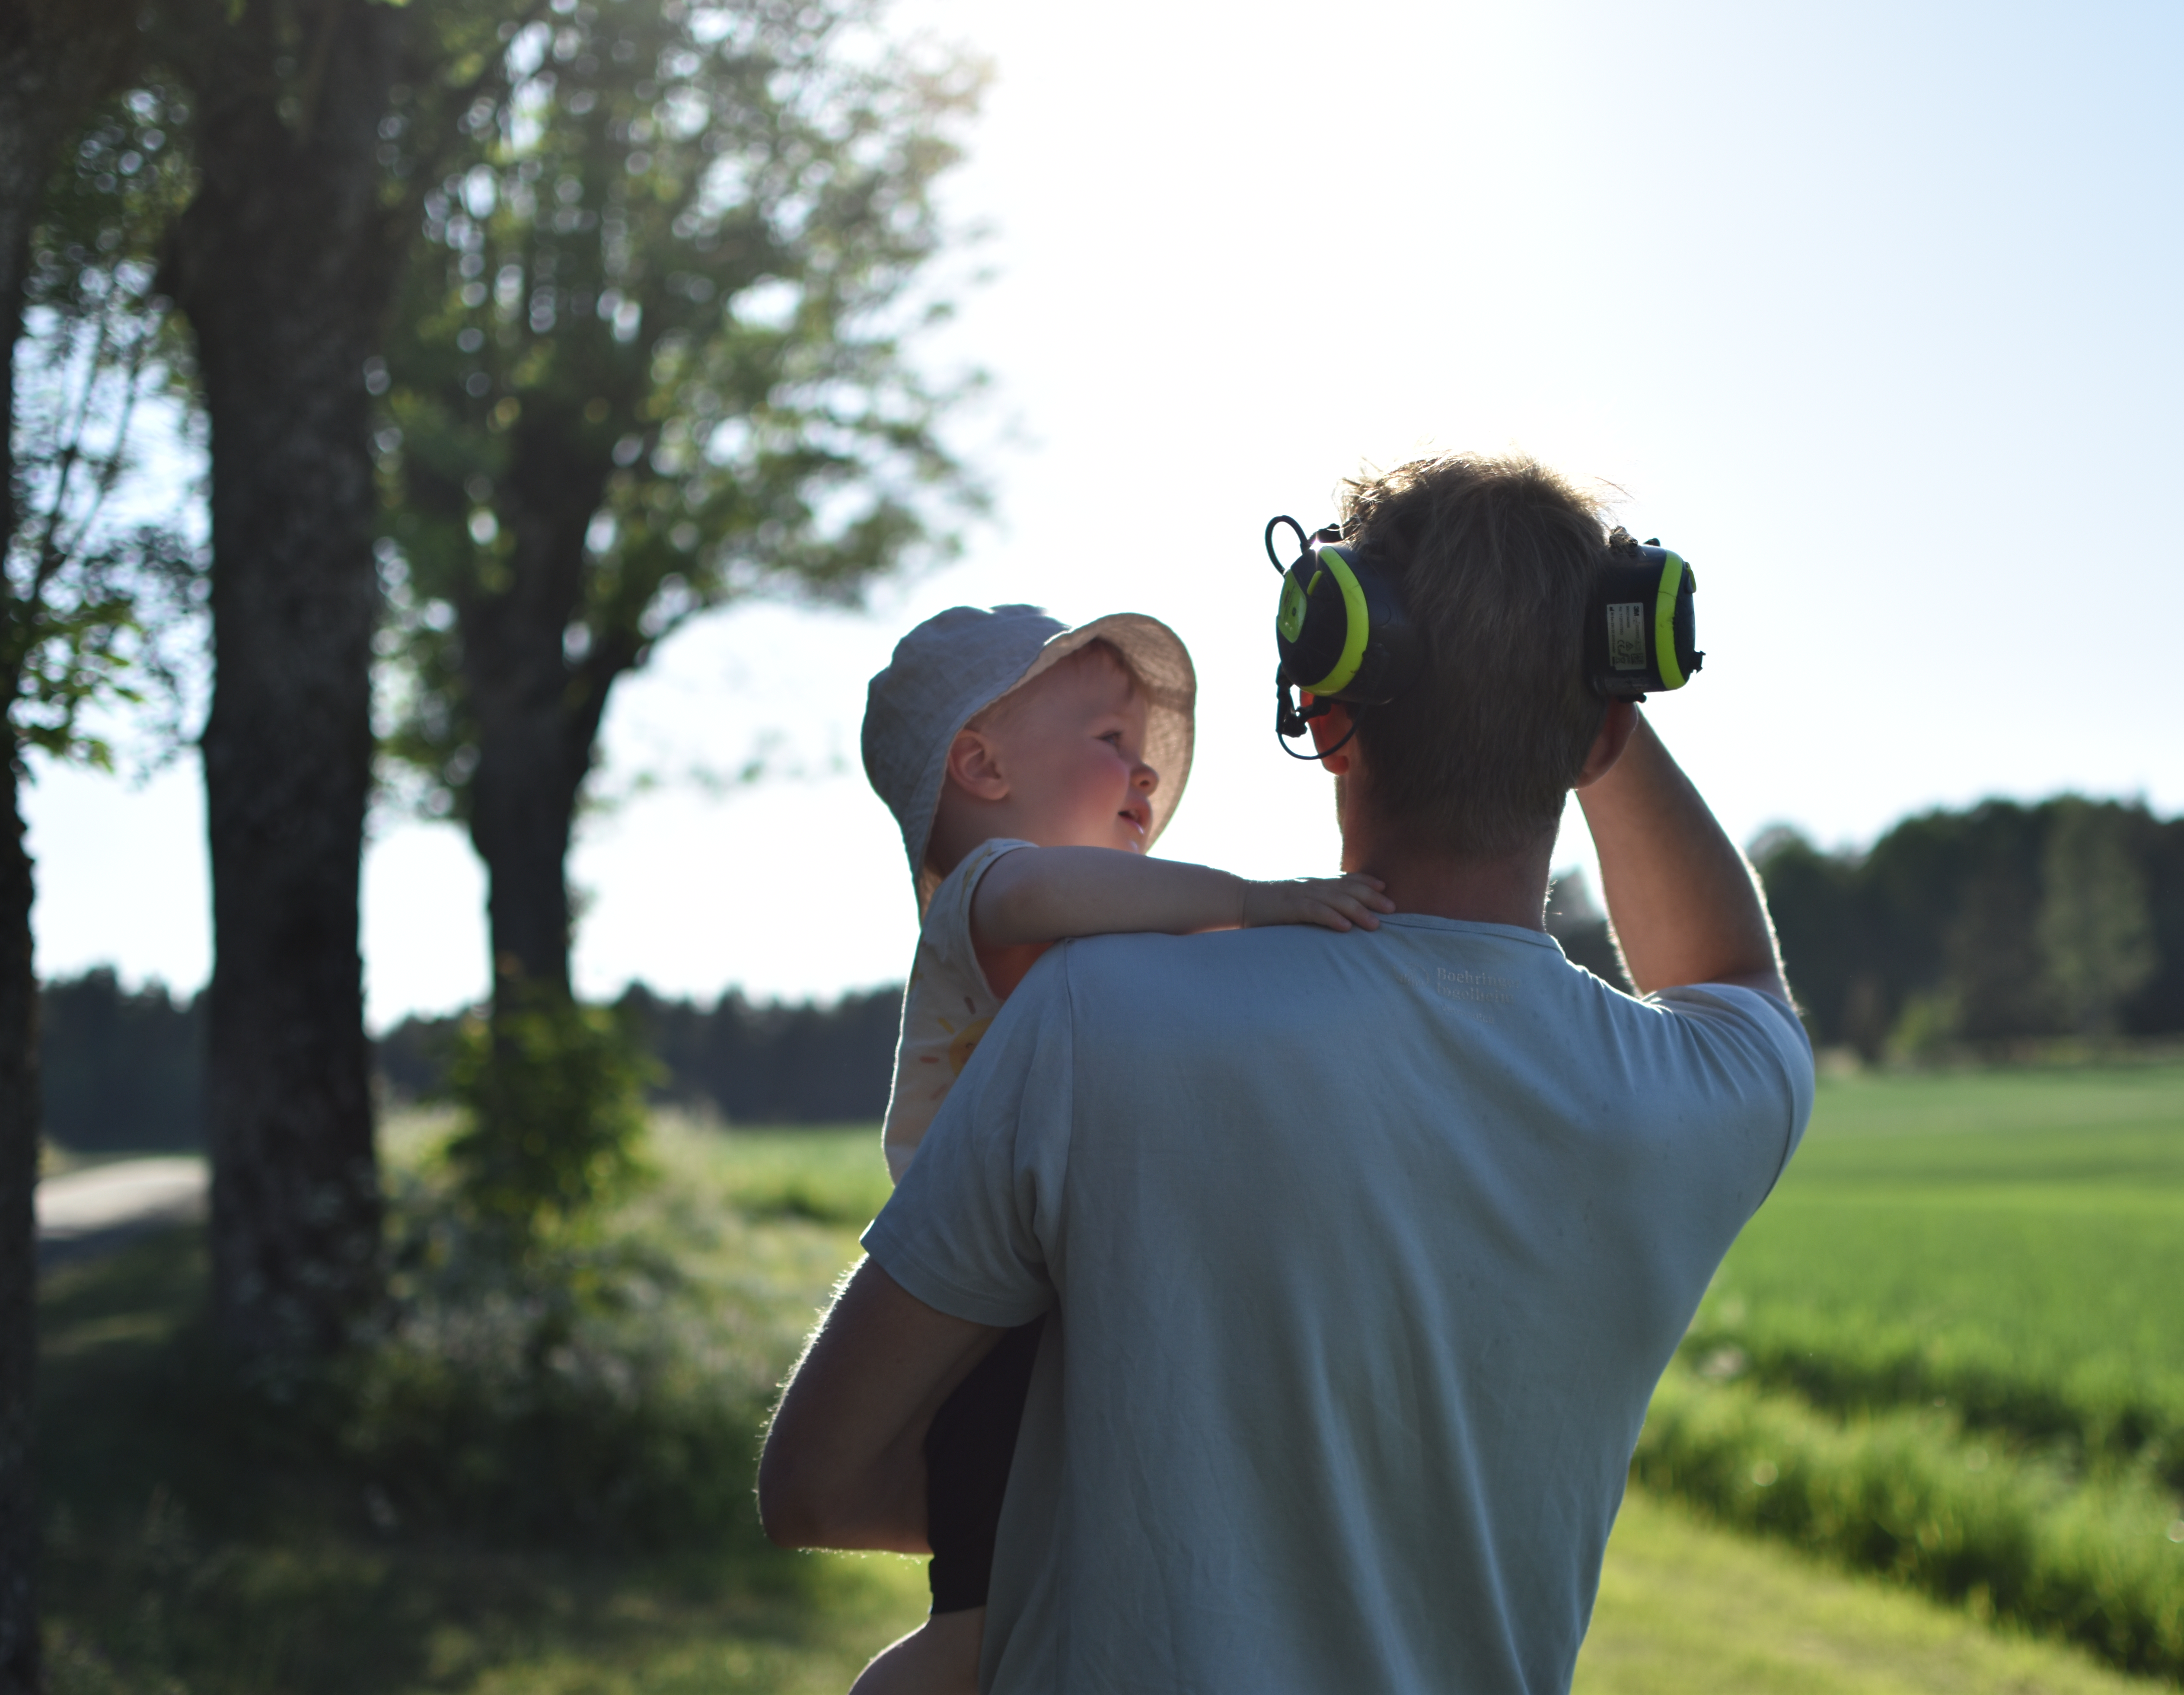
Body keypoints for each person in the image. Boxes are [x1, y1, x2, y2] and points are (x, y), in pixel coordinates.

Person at [760, 453, 1814, 1695]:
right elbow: (1735, 966)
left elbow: (817, 1483)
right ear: (1608, 714)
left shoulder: (1094, 1018)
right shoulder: (1700, 1096)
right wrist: (1586, 703)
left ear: (1323, 705)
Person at [845, 603, 1392, 1694]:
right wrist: (1261, 903)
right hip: (992, 1336)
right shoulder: (988, 897)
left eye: (1148, 759)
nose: (1144, 779)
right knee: (981, 1634)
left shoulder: (1088, 941)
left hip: (1046, 1311)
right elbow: (1064, 893)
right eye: (1111, 744)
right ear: (981, 764)